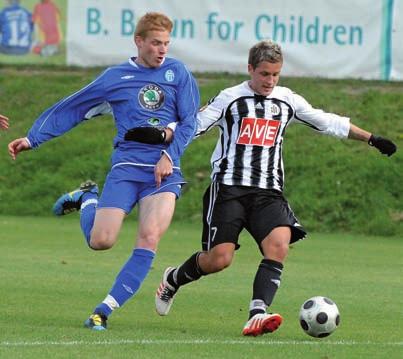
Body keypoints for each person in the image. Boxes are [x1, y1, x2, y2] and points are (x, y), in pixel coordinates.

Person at [154, 40, 397, 337]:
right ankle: (173, 279)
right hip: (229, 189)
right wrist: (164, 136)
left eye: (275, 74)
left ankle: (257, 313)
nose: (270, 81)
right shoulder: (230, 98)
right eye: (264, 74)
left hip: (268, 192)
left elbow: (327, 122)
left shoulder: (287, 100)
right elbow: (195, 125)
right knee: (219, 259)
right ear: (250, 69)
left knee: (279, 245)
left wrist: (372, 138)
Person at [8, 12, 200, 331]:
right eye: (155, 43)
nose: (162, 49)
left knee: (149, 236)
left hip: (163, 173)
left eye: (166, 43)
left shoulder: (178, 72)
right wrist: (33, 138)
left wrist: (169, 154)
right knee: (101, 241)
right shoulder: (115, 77)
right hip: (126, 168)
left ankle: (103, 311)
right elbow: (73, 107)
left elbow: (190, 119)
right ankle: (87, 198)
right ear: (139, 41)